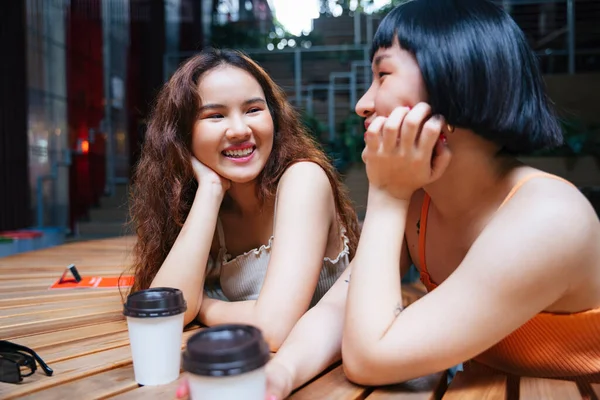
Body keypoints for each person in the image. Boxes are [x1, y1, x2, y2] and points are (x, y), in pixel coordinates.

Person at [177, 0, 600, 398]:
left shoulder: (547, 217)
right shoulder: (424, 198)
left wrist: (386, 193)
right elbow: (339, 306)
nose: (363, 104)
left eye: (382, 75)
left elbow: (369, 358)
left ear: (453, 79)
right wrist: (279, 373)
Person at [127, 48, 360, 350]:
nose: (239, 130)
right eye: (215, 115)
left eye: (253, 110)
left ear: (273, 117)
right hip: (255, 372)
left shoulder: (303, 180)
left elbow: (274, 328)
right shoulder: (213, 204)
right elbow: (163, 311)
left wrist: (203, 306)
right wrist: (210, 191)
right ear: (183, 136)